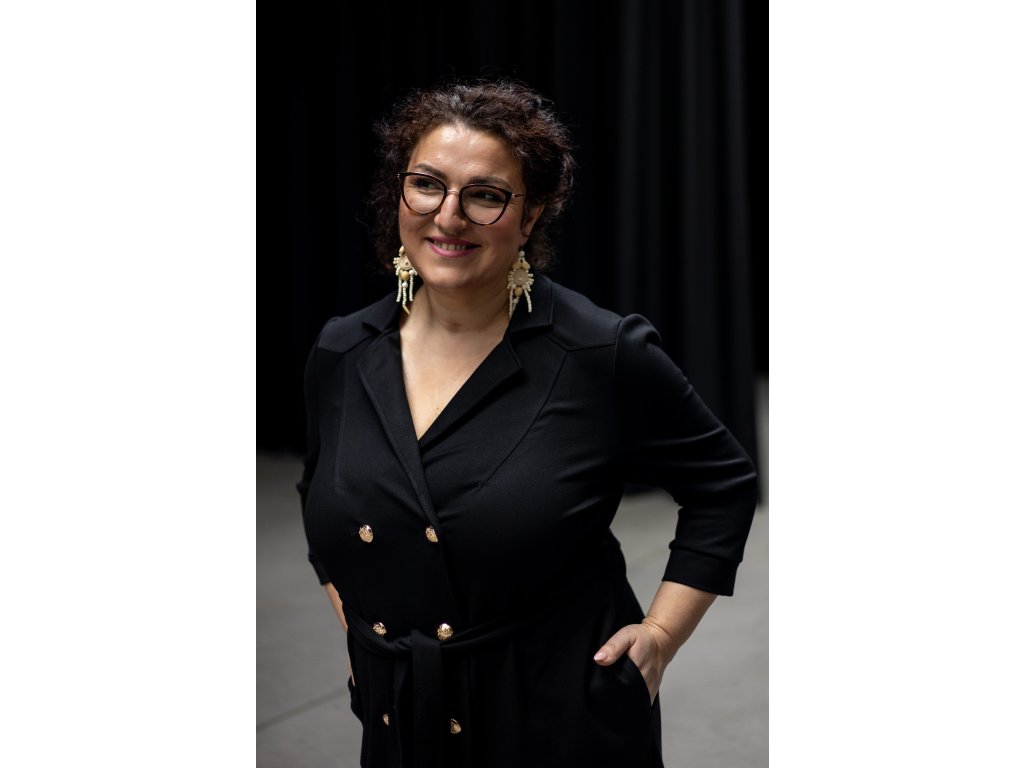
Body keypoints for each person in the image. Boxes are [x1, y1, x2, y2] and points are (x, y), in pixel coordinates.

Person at [297, 78, 758, 768]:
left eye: (484, 195)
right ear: (399, 193)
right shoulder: (342, 350)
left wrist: (661, 635)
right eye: (426, 185)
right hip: (402, 718)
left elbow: (722, 485)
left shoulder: (600, 352)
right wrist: (364, 628)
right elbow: (320, 494)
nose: (448, 216)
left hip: (557, 717)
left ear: (531, 214)